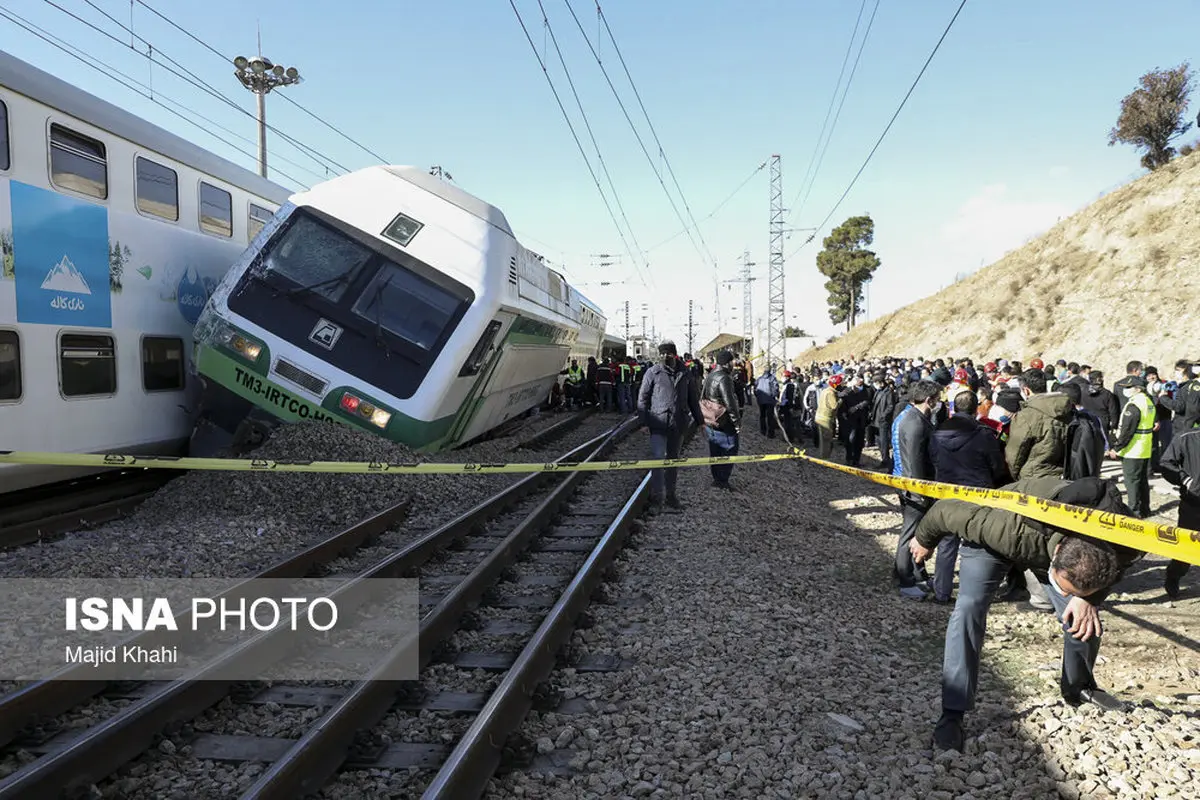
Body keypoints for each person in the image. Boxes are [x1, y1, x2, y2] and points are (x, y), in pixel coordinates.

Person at [912, 476, 1141, 751]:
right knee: (969, 608)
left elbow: (1120, 567)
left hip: (1066, 550)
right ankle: (952, 712)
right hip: (1009, 531)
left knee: (1083, 619)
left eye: (1072, 591)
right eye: (1063, 587)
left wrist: (1088, 598)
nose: (1065, 595)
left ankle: (1080, 687)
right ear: (1056, 555)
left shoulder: (1124, 542)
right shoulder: (1003, 528)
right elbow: (946, 509)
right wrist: (924, 540)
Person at [928, 391, 1009, 603]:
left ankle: (941, 592)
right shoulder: (983, 435)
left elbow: (932, 460)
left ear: (954, 408)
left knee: (946, 543)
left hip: (945, 493)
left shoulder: (937, 434)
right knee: (975, 545)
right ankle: (972, 594)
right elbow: (997, 465)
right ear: (976, 409)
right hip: (977, 494)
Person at [638, 341, 705, 513]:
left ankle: (671, 496)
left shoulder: (686, 373)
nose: (664, 357)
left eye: (668, 353)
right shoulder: (652, 373)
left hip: (678, 423)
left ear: (675, 354)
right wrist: (644, 422)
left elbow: (693, 399)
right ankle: (657, 498)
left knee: (673, 460)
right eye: (662, 354)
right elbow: (643, 399)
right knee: (658, 459)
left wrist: (700, 421)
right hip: (658, 422)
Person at [891, 379, 943, 600]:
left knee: (914, 531)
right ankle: (905, 580)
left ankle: (914, 572)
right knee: (910, 533)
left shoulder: (909, 416)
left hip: (906, 483)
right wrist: (920, 493)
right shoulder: (914, 423)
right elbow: (913, 462)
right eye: (937, 400)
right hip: (912, 487)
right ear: (929, 400)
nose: (939, 404)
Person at [1005, 368, 1073, 480]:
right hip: (1065, 474)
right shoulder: (1067, 410)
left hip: (1033, 477)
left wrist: (1015, 476)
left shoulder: (1026, 416)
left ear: (1026, 391)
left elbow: (1015, 455)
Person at [1158, 426, 1199, 598]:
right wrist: (1183, 478)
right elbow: (1166, 462)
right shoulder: (1187, 437)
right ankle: (1173, 576)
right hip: (1194, 502)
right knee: (1186, 546)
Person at [1108, 376, 1156, 519]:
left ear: (1137, 389)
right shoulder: (1148, 401)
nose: (1125, 390)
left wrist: (1116, 448)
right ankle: (1145, 509)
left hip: (1133, 448)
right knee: (1142, 480)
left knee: (1132, 481)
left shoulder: (1134, 405)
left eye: (1128, 387)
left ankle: (1134, 511)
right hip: (1144, 446)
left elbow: (1127, 431)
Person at [701, 350, 741, 490]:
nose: (733, 364)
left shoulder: (710, 375)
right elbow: (729, 403)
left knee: (715, 449)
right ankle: (722, 480)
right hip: (723, 421)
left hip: (711, 420)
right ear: (727, 363)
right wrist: (737, 423)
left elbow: (703, 395)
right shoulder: (725, 378)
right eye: (732, 362)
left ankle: (717, 478)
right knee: (730, 448)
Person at [1061, 382, 1107, 480]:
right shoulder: (1094, 417)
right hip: (1093, 468)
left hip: (1074, 472)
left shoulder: (1069, 420)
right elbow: (1103, 441)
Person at [1082, 370, 1121, 441]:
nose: (1103, 379)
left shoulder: (1083, 392)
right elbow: (1113, 412)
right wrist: (1113, 426)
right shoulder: (1107, 394)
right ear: (1098, 379)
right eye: (1101, 377)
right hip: (1102, 423)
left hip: (1086, 422)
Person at [871, 372, 898, 472]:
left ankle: (886, 460)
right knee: (879, 441)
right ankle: (884, 459)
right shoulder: (878, 391)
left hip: (883, 421)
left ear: (881, 383)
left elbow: (891, 406)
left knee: (884, 441)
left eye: (876, 383)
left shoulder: (888, 392)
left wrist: (883, 416)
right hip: (876, 420)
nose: (875, 385)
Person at [816, 374, 843, 459]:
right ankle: (825, 458)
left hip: (820, 416)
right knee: (826, 440)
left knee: (823, 439)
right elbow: (834, 406)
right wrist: (841, 400)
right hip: (826, 418)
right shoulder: (831, 393)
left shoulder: (825, 390)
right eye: (840, 384)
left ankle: (823, 456)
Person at [755, 366, 780, 438]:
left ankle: (763, 430)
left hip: (761, 400)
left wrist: (758, 396)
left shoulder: (759, 378)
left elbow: (755, 388)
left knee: (762, 416)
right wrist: (774, 396)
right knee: (770, 417)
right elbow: (776, 389)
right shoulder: (772, 378)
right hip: (769, 400)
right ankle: (771, 433)